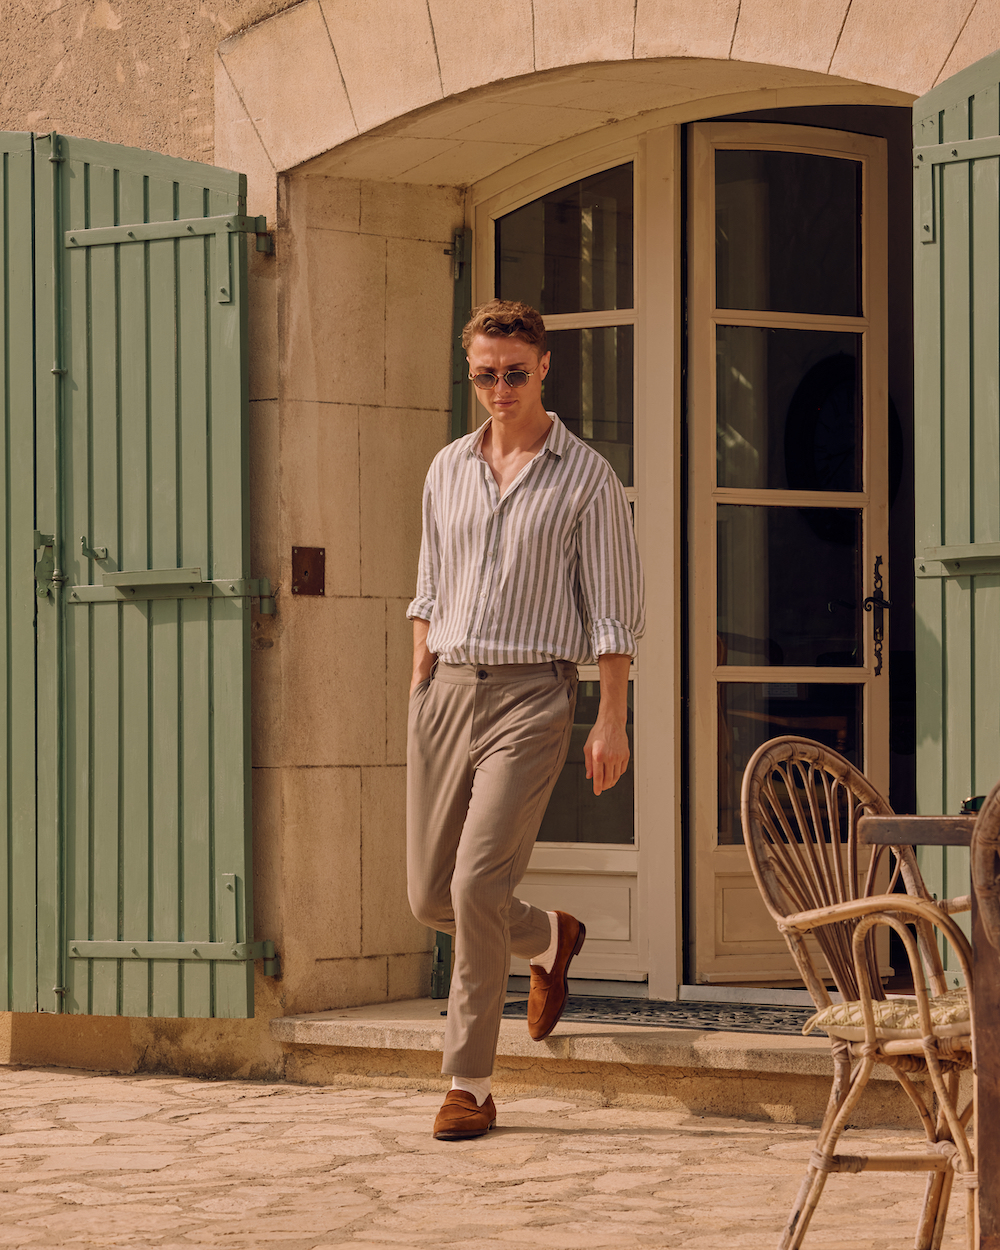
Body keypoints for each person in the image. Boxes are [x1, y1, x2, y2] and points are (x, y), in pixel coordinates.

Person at [406, 299, 645, 1140]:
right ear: (469, 373)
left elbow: (614, 610)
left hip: (535, 695)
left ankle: (467, 1083)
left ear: (545, 367)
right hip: (446, 690)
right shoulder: (446, 468)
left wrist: (610, 717)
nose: (498, 388)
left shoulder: (587, 477)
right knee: (430, 892)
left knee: (476, 886)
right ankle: (551, 937)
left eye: (514, 372)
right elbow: (429, 588)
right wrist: (418, 684)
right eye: (484, 373)